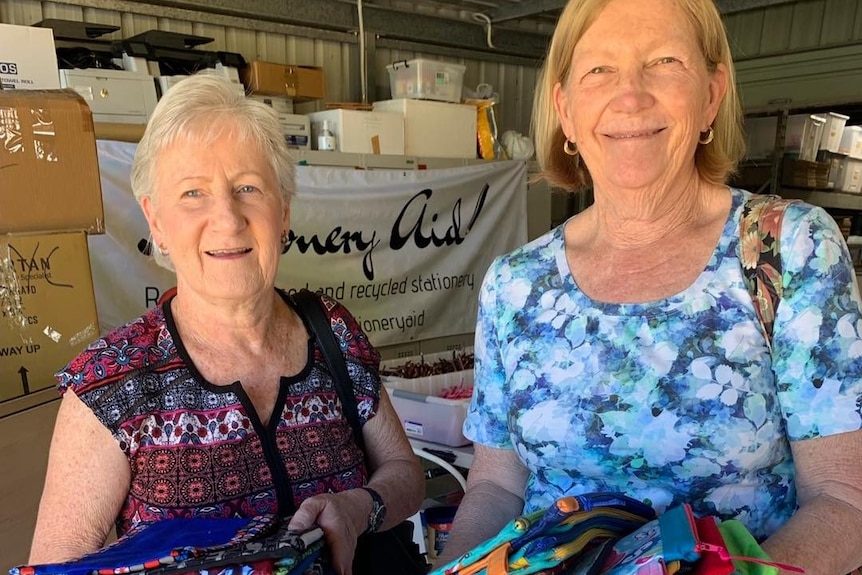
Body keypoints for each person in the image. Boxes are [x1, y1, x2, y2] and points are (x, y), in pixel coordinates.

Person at [437, 0, 862, 573]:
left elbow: (842, 499)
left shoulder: (787, 248)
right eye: (599, 70)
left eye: (664, 62)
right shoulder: (516, 285)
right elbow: (496, 488)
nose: (630, 96)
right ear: (565, 107)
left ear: (712, 94)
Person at [28, 73, 424, 575]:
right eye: (193, 193)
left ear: (283, 212)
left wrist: (359, 506)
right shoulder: (111, 382)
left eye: (248, 187)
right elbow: (55, 567)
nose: (228, 218)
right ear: (156, 222)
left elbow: (405, 473)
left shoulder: (332, 331)